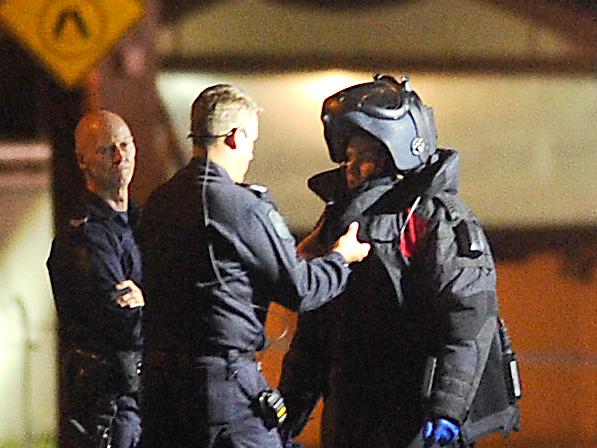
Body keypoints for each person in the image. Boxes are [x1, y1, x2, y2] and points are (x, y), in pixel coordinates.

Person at [278, 74, 521, 448]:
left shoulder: (432, 218)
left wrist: (447, 410)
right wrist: (287, 416)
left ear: (397, 152)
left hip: (415, 419)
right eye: (350, 157)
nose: (354, 168)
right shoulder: (336, 221)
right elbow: (315, 332)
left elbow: (468, 318)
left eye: (367, 157)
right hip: (350, 416)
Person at [138, 84, 370, 448]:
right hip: (223, 392)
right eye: (251, 143)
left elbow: (215, 272)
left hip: (160, 392)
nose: (250, 155)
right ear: (235, 137)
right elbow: (302, 290)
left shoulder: (160, 202)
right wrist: (343, 257)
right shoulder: (241, 206)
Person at [47, 110, 144, 447]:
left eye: (125, 145)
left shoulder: (142, 224)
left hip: (141, 400)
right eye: (106, 150)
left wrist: (149, 302)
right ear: (82, 160)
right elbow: (121, 321)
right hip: (105, 409)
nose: (120, 157)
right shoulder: (83, 236)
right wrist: (154, 305)